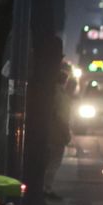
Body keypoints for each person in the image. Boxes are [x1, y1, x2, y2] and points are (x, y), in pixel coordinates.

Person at [46, 60, 75, 197]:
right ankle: (46, 189)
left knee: (51, 162)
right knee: (53, 163)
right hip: (56, 135)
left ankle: (46, 188)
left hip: (52, 133)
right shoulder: (59, 94)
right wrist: (65, 133)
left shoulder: (55, 92)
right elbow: (60, 117)